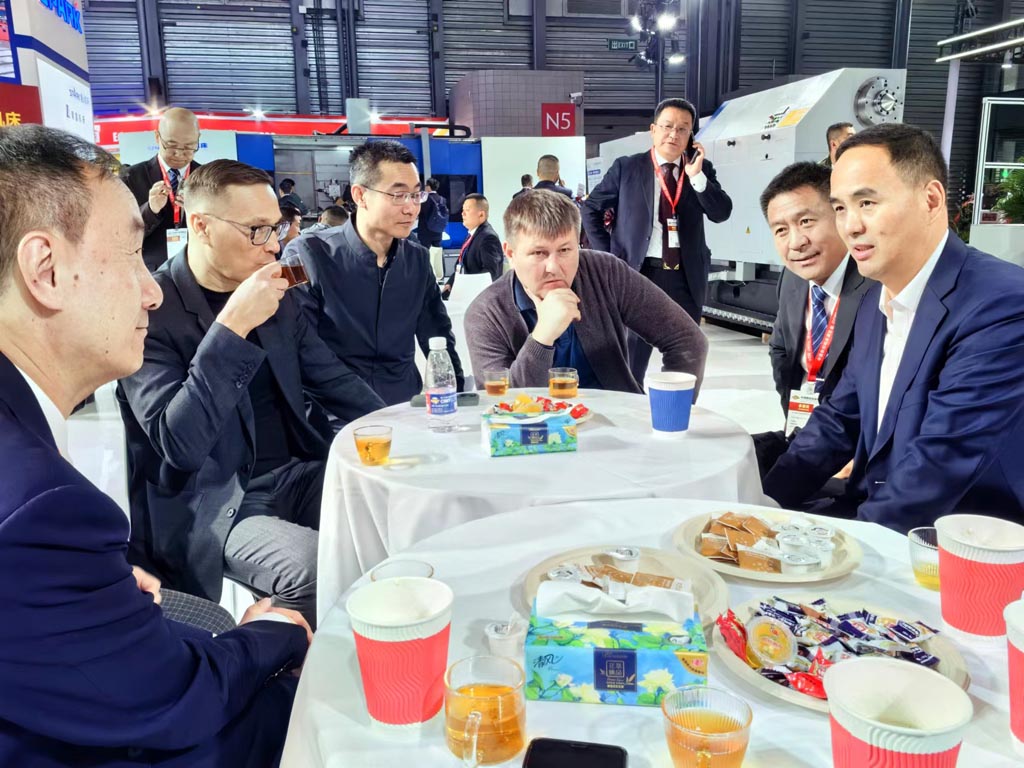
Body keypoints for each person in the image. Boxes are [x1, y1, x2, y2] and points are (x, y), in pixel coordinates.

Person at [0, 124, 311, 767]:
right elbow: (176, 702)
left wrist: (97, 584)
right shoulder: (39, 507)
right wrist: (277, 636)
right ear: (46, 270)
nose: (149, 289)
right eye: (130, 256)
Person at [118, 160, 385, 628]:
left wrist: (406, 424)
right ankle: (281, 663)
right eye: (257, 230)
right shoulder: (153, 308)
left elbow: (333, 381)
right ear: (201, 226)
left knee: (390, 512)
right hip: (215, 502)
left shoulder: (276, 292)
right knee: (316, 567)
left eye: (276, 227)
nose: (275, 244)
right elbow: (179, 444)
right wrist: (232, 325)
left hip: (297, 472)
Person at [763, 123, 1024, 531]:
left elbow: (939, 465)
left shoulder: (1000, 303)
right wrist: (762, 504)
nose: (850, 226)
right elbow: (840, 419)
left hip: (951, 541)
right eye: (840, 208)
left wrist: (853, 546)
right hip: (871, 507)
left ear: (931, 199)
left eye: (867, 202)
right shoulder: (874, 301)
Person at [464, 190, 707, 393]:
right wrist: (542, 337)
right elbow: (502, 405)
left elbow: (687, 340)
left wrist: (669, 412)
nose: (553, 267)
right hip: (533, 434)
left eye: (565, 250)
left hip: (617, 425)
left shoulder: (606, 273)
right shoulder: (486, 313)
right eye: (538, 253)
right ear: (510, 253)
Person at [284, 141, 463, 406]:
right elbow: (300, 345)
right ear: (360, 195)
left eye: (416, 195)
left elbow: (437, 332)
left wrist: (459, 393)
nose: (411, 208)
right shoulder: (302, 254)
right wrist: (368, 406)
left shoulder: (417, 259)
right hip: (332, 414)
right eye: (398, 195)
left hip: (403, 407)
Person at [582, 97, 732, 384]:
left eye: (683, 129)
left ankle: (678, 409)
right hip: (638, 274)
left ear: (691, 136)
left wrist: (697, 177)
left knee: (687, 354)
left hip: (685, 277)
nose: (674, 134)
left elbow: (721, 213)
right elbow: (590, 209)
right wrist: (610, 256)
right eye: (667, 126)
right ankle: (628, 408)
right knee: (631, 359)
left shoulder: (700, 169)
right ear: (653, 130)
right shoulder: (627, 168)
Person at [750, 162, 875, 479]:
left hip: (858, 451)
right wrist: (798, 425)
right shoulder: (793, 279)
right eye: (781, 230)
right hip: (805, 434)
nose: (796, 242)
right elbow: (781, 351)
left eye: (805, 221)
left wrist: (851, 451)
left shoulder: (877, 285)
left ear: (839, 216)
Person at [123, 106, 202, 272]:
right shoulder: (131, 177)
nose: (179, 154)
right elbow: (123, 233)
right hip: (152, 273)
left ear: (198, 139)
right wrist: (150, 209)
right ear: (157, 137)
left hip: (198, 270)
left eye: (189, 147)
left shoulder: (207, 178)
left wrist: (199, 210)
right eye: (171, 145)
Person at [442, 193, 504, 298]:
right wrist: (450, 283)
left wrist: (467, 287)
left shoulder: (488, 238)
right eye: (463, 210)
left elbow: (490, 274)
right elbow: (460, 264)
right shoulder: (472, 234)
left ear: (481, 215)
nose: (462, 213)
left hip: (478, 297)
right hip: (465, 292)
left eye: (467, 210)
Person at [416, 176, 448, 248]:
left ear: (429, 187)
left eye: (426, 185)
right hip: (438, 231)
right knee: (437, 251)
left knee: (424, 251)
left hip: (425, 232)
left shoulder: (425, 199)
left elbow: (420, 212)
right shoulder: (442, 199)